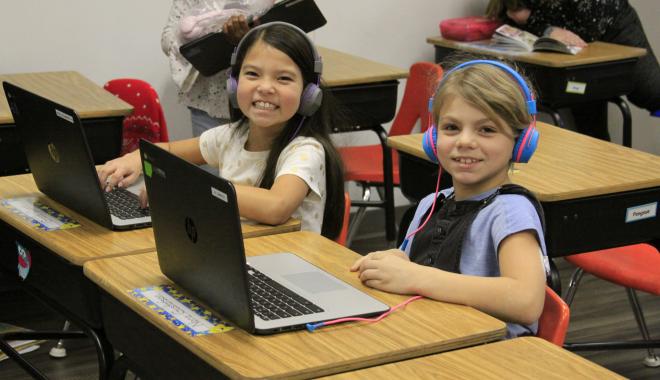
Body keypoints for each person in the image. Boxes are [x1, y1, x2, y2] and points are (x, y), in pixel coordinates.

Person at [351, 59, 549, 338]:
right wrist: (396, 262)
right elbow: (416, 276)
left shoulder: (510, 211)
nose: (465, 141)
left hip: (490, 353)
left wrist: (415, 276)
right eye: (452, 128)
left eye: (487, 130)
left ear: (521, 142)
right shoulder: (432, 203)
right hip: (432, 333)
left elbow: (526, 302)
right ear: (433, 138)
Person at [100, 22, 346, 239]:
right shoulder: (231, 136)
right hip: (241, 256)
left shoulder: (305, 151)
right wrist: (136, 159)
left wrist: (188, 189)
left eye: (283, 79)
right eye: (252, 74)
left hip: (289, 266)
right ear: (234, 84)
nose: (265, 87)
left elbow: (276, 206)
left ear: (308, 94)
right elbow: (172, 150)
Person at [486, 0, 660, 140]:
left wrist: (536, 23)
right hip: (572, 52)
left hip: (612, 24)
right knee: (589, 130)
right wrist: (531, 21)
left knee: (653, 92)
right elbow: (504, 16)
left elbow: (588, 28)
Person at [162, 1, 266, 137]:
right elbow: (166, 40)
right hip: (208, 102)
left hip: (262, 99)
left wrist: (251, 38)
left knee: (256, 157)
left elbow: (288, 33)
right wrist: (200, 31)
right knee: (205, 156)